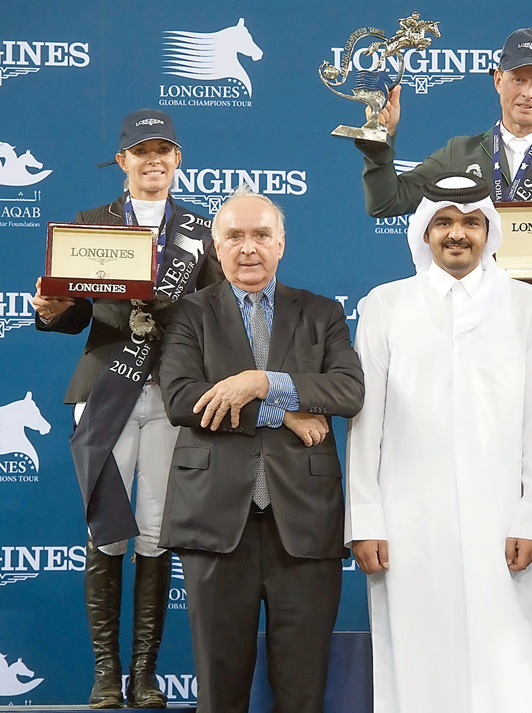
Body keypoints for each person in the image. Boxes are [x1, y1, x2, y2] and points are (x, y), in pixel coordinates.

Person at [355, 26, 532, 634]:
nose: (526, 91)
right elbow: (388, 200)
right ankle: (446, 564)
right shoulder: (458, 152)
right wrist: (379, 142)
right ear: (496, 81)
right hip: (455, 328)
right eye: (516, 78)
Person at [31, 108, 221, 709]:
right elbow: (73, 313)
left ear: (178, 159)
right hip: (105, 387)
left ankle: (144, 673)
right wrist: (51, 311)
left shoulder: (201, 229)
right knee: (107, 530)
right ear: (123, 161)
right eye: (142, 152)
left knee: (157, 529)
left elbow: (215, 314)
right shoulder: (90, 225)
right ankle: (105, 675)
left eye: (164, 150)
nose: (154, 160)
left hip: (170, 392)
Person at [345, 173, 532, 713]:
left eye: (470, 223)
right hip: (406, 519)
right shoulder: (385, 305)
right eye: (443, 222)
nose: (456, 234)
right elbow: (367, 423)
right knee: (416, 658)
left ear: (490, 231)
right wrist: (365, 519)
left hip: (501, 519)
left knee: (505, 664)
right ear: (424, 231)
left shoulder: (525, 304)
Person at [157, 186, 364, 713]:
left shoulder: (322, 313)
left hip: (306, 525)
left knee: (302, 691)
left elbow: (347, 390)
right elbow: (183, 399)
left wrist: (261, 382)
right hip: (214, 523)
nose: (248, 248)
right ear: (215, 245)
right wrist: (283, 409)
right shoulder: (187, 314)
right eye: (235, 236)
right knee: (220, 691)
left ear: (281, 244)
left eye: (261, 236)